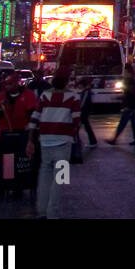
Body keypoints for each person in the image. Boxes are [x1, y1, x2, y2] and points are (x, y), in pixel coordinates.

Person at [28, 73, 80, 218]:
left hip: (45, 141)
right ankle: (53, 212)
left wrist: (30, 140)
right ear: (66, 83)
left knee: (44, 175)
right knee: (60, 179)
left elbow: (34, 118)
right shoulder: (74, 97)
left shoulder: (45, 96)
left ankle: (42, 209)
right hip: (64, 142)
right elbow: (77, 120)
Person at [108, 65, 135, 147]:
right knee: (134, 124)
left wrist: (120, 99)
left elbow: (130, 95)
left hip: (130, 106)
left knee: (123, 123)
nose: (124, 73)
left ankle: (114, 139)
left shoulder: (129, 81)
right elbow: (131, 95)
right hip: (132, 106)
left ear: (128, 72)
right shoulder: (131, 81)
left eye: (125, 72)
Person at [77, 78, 98, 146]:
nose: (79, 86)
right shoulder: (86, 91)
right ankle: (92, 141)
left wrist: (79, 108)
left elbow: (83, 102)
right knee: (85, 126)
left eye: (80, 85)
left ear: (82, 85)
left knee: (83, 126)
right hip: (85, 110)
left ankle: (92, 141)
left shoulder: (86, 92)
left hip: (84, 111)